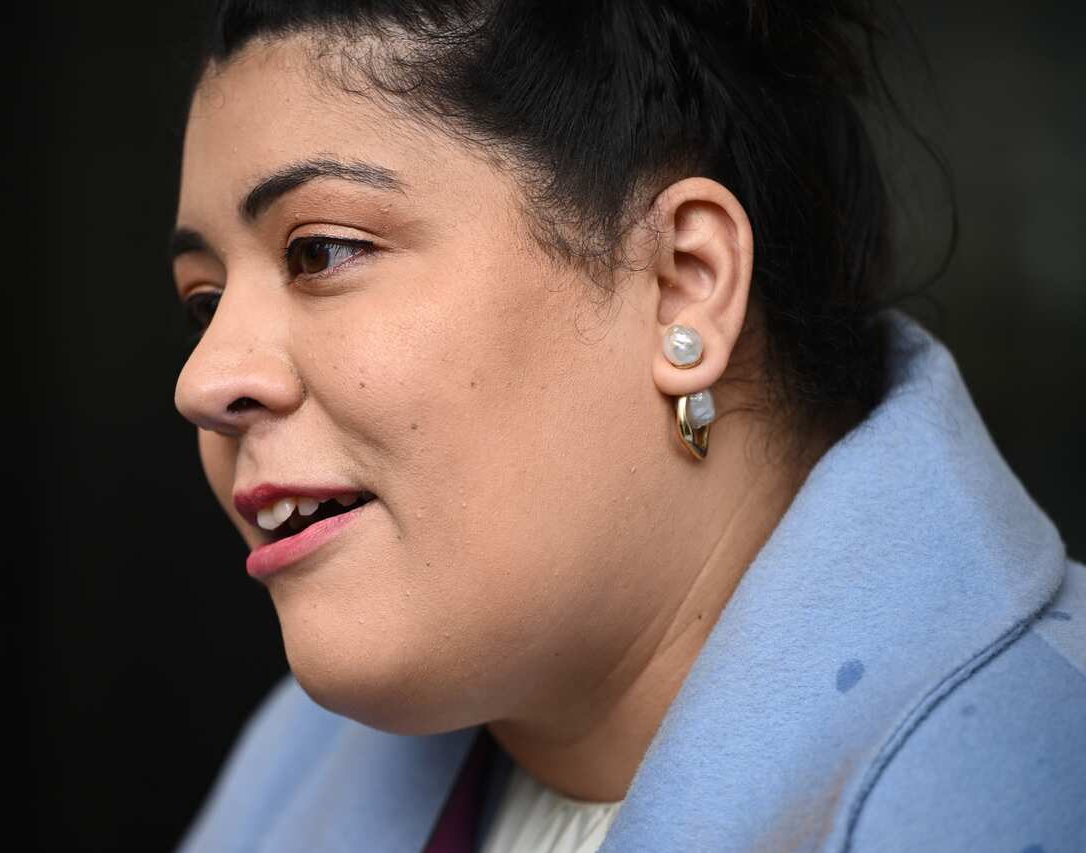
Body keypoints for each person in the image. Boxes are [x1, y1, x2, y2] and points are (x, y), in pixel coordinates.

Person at [167, 1, 1085, 850]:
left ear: (684, 283)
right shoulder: (290, 773)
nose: (203, 380)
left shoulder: (1030, 783)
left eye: (320, 251)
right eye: (205, 301)